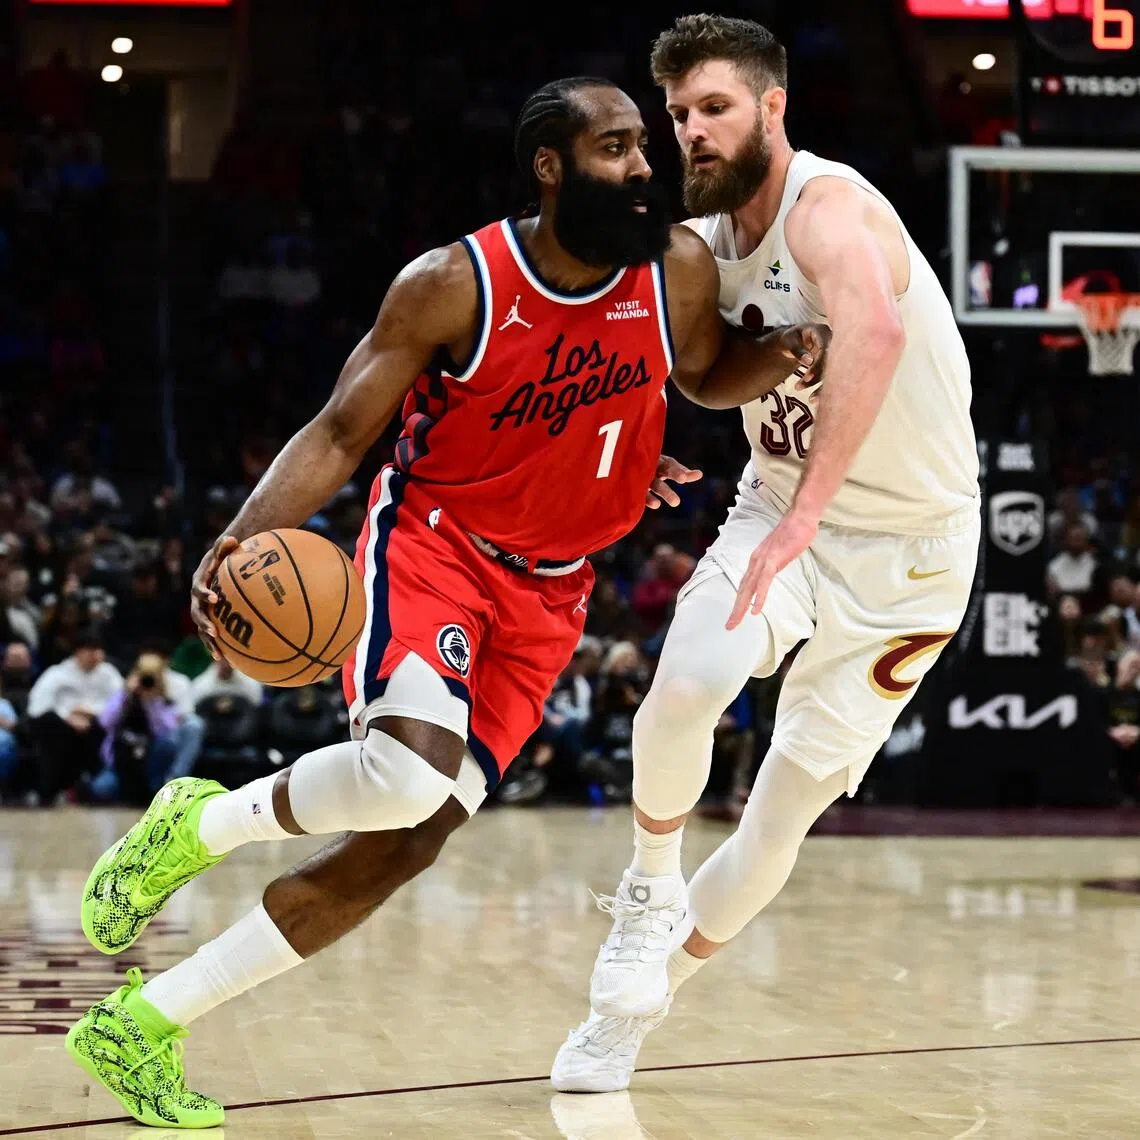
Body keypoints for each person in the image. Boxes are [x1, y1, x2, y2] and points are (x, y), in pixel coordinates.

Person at [66, 76, 825, 1128]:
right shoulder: (452, 283)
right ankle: (205, 821)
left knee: (405, 841)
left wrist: (782, 355)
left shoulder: (678, 269)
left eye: (644, 148)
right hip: (438, 548)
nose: (645, 167)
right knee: (404, 776)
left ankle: (141, 1024)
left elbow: (700, 373)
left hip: (556, 593)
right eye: (615, 148)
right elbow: (339, 431)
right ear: (551, 167)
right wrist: (239, 538)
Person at [552, 15, 980, 1092]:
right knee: (687, 681)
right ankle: (647, 899)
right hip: (780, 503)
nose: (691, 131)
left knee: (782, 808)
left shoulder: (827, 206)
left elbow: (872, 335)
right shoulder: (689, 236)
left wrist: (808, 517)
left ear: (773, 106)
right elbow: (644, 343)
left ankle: (637, 1016)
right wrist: (639, 438)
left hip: (914, 552)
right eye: (679, 113)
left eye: (714, 108)